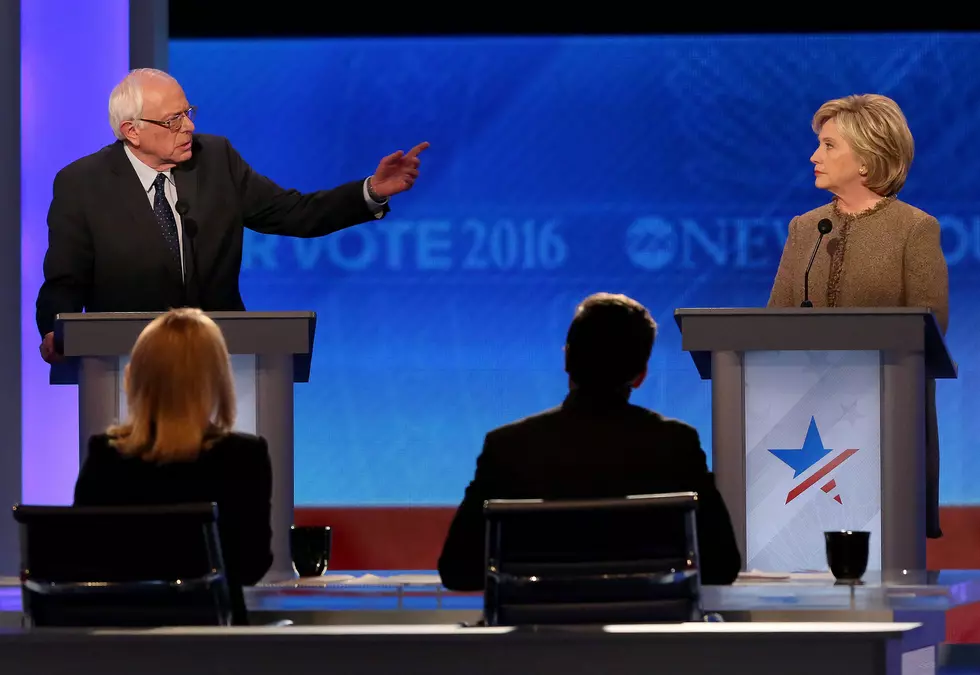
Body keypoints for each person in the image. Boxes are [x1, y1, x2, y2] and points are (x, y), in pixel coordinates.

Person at [36, 68, 428, 363]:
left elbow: (293, 212)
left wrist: (371, 192)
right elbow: (66, 278)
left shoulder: (216, 159)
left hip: (219, 357)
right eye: (174, 120)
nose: (189, 126)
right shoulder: (82, 183)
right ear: (131, 131)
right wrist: (55, 328)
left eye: (188, 112)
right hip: (128, 364)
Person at [437, 293, 742, 591]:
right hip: (646, 635)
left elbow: (458, 570)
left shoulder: (508, 446)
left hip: (539, 637)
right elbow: (721, 566)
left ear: (567, 358)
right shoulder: (676, 444)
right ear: (641, 375)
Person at [767, 93, 949, 537]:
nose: (815, 156)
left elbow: (930, 326)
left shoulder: (914, 229)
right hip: (807, 418)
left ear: (866, 159)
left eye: (829, 146)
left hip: (884, 418)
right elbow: (772, 323)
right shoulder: (804, 228)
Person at [73, 308, 273, 620]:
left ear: (137, 376)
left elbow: (81, 559)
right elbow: (251, 567)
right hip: (217, 649)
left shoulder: (106, 456)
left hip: (121, 648)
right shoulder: (244, 456)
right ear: (217, 378)